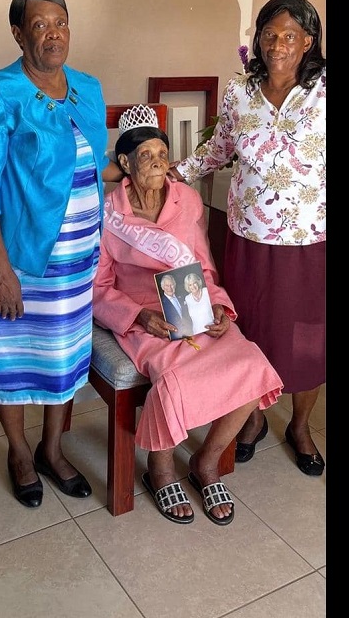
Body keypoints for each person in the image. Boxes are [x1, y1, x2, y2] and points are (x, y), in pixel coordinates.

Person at [92, 104, 284, 525]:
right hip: (142, 314)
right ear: (124, 163)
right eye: (147, 156)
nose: (159, 163)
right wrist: (138, 319)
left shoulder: (188, 200)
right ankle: (159, 470)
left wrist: (218, 305)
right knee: (175, 377)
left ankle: (206, 461)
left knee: (251, 363)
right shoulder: (108, 211)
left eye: (163, 154)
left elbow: (205, 264)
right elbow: (100, 287)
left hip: (193, 304)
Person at [0, 0, 106, 508]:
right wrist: (1, 271)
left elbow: (90, 164)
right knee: (14, 358)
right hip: (18, 259)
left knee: (64, 358)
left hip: (78, 260)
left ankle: (52, 448)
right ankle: (20, 452)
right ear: (18, 33)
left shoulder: (88, 88)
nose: (53, 33)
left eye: (61, 22)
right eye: (39, 24)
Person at [173, 0, 327, 476]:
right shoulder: (240, 92)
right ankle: (253, 418)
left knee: (308, 339)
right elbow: (215, 152)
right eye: (268, 34)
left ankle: (299, 425)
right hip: (247, 237)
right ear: (256, 39)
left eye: (288, 35)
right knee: (250, 332)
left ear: (308, 41)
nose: (277, 44)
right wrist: (169, 172)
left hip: (309, 238)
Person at [158, 273, 192, 340]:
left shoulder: (183, 298)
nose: (170, 288)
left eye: (172, 285)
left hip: (190, 331)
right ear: (162, 287)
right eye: (167, 286)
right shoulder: (161, 302)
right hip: (175, 336)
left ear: (175, 285)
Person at [183, 271, 214, 336]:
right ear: (187, 286)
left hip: (212, 330)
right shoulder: (187, 298)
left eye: (194, 283)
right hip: (197, 332)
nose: (193, 286)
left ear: (198, 282)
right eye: (190, 285)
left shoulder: (206, 291)